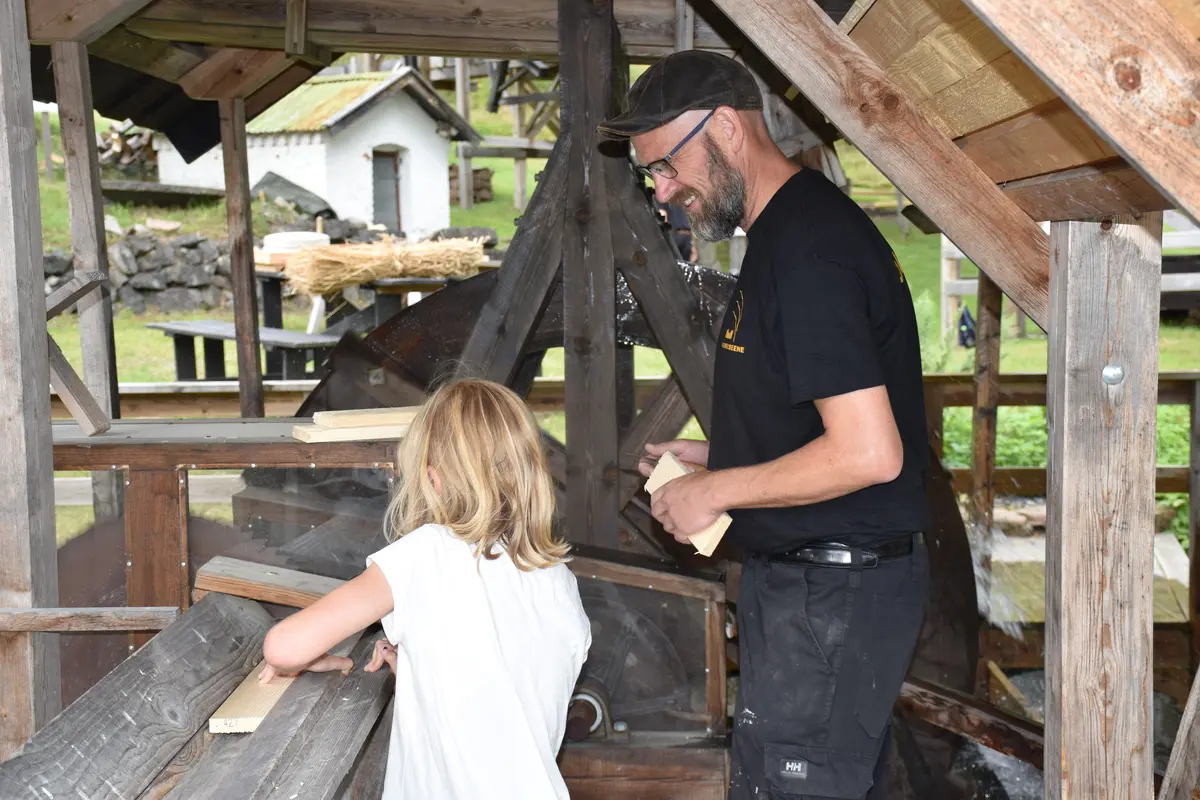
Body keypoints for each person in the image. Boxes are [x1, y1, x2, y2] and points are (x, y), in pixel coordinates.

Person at [599, 51, 931, 799]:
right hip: (824, 592)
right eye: (652, 176)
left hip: (831, 597)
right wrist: (723, 453)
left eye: (666, 166)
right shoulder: (787, 234)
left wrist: (720, 488)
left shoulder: (808, 251)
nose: (663, 192)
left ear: (725, 126)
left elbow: (870, 453)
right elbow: (832, 420)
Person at [256, 378, 592, 800]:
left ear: (433, 479)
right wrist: (421, 668)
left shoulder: (425, 553)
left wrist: (308, 659)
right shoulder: (558, 578)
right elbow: (506, 691)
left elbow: (285, 646)